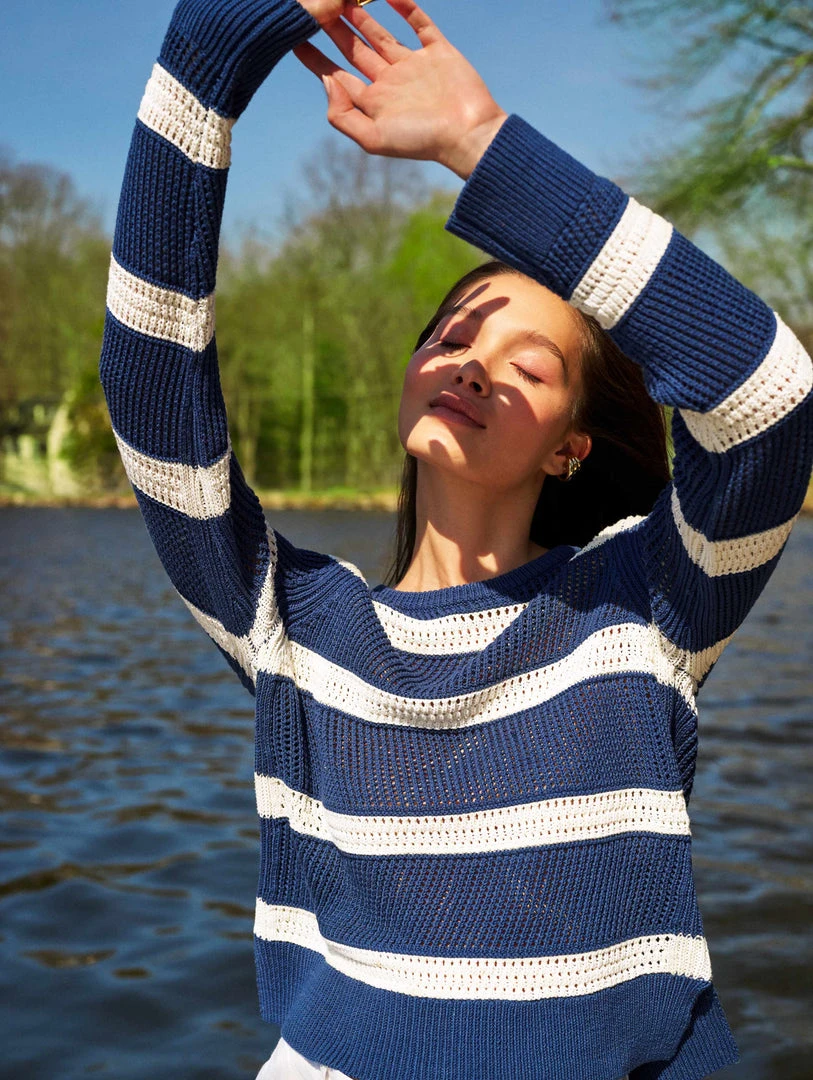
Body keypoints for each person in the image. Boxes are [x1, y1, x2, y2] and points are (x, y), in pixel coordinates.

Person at [98, 0, 812, 1077]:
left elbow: (766, 395)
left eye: (529, 367)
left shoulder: (643, 606)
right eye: (453, 334)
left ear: (570, 448)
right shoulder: (295, 626)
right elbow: (154, 390)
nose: (474, 364)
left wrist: (480, 143)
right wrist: (205, 58)